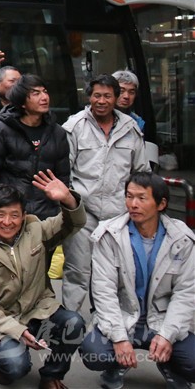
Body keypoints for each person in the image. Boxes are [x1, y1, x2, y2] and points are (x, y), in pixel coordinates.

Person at [0, 173, 87, 389]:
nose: (7, 222)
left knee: (74, 323)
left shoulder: (35, 229)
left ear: (24, 215)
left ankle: (51, 375)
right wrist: (18, 331)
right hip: (1, 320)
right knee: (16, 366)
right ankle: (3, 369)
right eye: (0, 215)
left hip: (39, 309)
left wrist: (68, 199)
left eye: (14, 215)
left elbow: (74, 223)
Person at [80, 172, 195, 389]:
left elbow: (186, 293)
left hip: (161, 319)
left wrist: (167, 335)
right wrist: (119, 338)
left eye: (141, 198)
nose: (133, 204)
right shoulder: (109, 235)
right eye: (129, 196)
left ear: (161, 204)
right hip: (124, 316)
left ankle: (169, 364)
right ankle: (116, 365)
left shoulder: (182, 239)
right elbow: (104, 292)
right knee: (94, 353)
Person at [60, 74, 149, 312]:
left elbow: (141, 173)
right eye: (97, 95)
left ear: (116, 98)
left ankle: (111, 324)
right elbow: (65, 171)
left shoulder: (130, 129)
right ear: (89, 97)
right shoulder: (74, 126)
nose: (101, 101)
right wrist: (71, 205)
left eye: (107, 96)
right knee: (78, 272)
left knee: (118, 274)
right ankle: (70, 324)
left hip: (119, 216)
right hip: (82, 215)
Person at [0, 74, 70, 221]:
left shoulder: (57, 132)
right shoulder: (1, 130)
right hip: (12, 215)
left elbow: (63, 176)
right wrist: (3, 206)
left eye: (45, 92)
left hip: (48, 214)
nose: (44, 97)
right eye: (36, 93)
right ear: (22, 103)